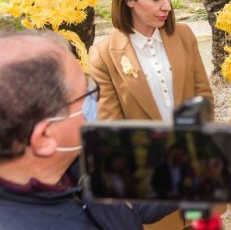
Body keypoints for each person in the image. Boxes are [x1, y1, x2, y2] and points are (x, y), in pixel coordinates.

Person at [0, 30, 172, 229]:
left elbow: (141, 198)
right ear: (45, 137)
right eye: (86, 93)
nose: (95, 99)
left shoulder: (79, 161)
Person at [90, 0, 214, 229]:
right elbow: (112, 128)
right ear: (129, 0)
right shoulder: (103, 55)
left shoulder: (184, 35)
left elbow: (203, 95)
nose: (167, 6)